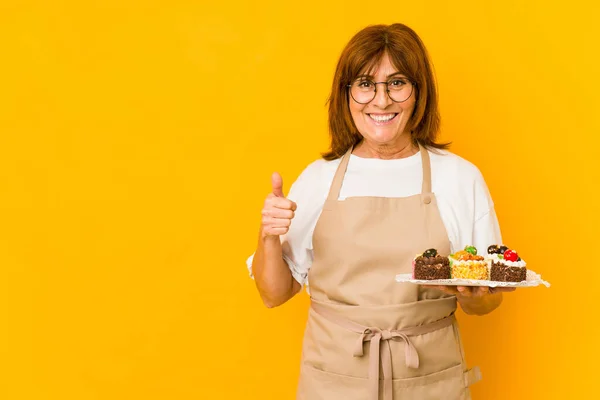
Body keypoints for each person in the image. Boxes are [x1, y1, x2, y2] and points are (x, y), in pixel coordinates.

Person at [246, 23, 515, 400]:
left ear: (419, 92)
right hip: (334, 385)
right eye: (365, 83)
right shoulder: (317, 180)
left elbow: (490, 300)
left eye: (397, 82)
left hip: (430, 385)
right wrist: (268, 234)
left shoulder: (459, 178)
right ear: (347, 95)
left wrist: (472, 293)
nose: (381, 100)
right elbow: (273, 293)